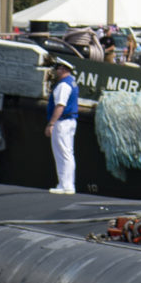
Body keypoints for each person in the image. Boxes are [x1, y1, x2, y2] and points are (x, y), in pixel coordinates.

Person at [46, 59, 81, 195]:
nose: (55, 71)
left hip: (62, 122)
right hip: (70, 121)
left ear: (64, 69)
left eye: (58, 68)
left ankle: (64, 184)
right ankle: (68, 184)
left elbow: (60, 106)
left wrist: (51, 123)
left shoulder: (63, 85)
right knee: (68, 153)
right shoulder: (72, 82)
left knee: (62, 153)